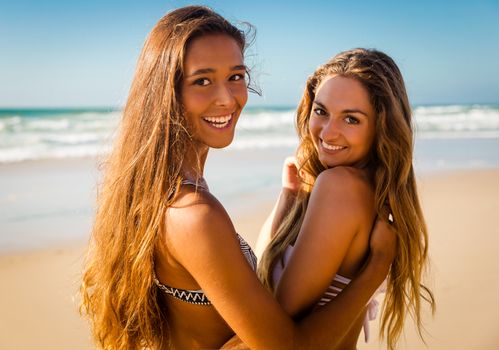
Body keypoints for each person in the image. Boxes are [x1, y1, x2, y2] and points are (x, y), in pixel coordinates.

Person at [80, 7, 395, 350]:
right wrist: (374, 270)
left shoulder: (163, 190)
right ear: (167, 92)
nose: (227, 98)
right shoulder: (194, 212)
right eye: (202, 80)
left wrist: (288, 197)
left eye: (235, 76)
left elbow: (249, 289)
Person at [257, 49, 436, 350]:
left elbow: (271, 320)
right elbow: (265, 271)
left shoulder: (340, 187)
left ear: (382, 126)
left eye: (351, 119)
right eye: (321, 111)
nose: (328, 132)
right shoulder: (373, 193)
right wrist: (290, 194)